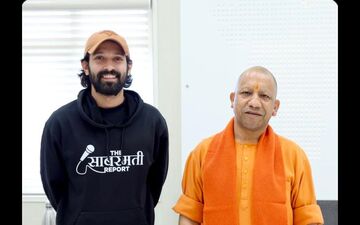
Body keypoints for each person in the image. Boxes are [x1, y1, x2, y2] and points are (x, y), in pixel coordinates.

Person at [40, 30, 169, 225]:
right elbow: (54, 188)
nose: (109, 67)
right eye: (100, 58)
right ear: (85, 66)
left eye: (117, 59)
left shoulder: (152, 122)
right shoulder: (60, 124)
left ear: (129, 66)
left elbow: (155, 184)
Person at [173, 66, 324, 225]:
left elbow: (307, 219)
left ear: (275, 107)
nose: (254, 103)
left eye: (264, 96)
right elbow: (189, 216)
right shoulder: (202, 153)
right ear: (232, 99)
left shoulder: (294, 156)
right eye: (246, 93)